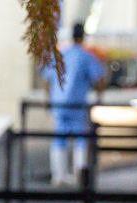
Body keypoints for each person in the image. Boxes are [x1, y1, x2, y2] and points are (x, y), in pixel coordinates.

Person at [43, 22, 106, 186]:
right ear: (83, 37)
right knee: (80, 140)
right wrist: (99, 97)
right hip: (77, 105)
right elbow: (99, 79)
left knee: (59, 139)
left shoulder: (61, 54)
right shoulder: (86, 57)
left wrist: (49, 100)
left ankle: (59, 176)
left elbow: (47, 79)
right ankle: (80, 176)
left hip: (59, 104)